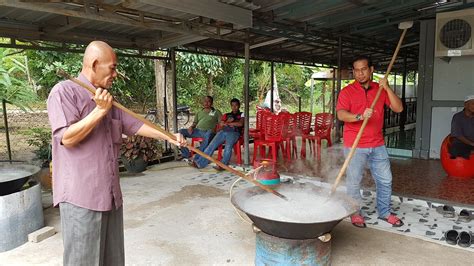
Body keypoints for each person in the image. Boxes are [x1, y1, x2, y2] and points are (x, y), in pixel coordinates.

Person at [47, 40, 186, 265]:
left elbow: (134, 124)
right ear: (94, 64)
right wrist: (99, 111)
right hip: (81, 198)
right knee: (83, 260)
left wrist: (169, 136)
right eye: (112, 67)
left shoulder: (107, 98)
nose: (115, 73)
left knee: (112, 259)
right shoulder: (64, 92)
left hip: (109, 195)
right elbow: (66, 137)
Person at [336, 55, 404, 228]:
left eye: (363, 69)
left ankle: (385, 212)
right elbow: (341, 114)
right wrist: (359, 116)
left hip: (377, 144)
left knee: (385, 180)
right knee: (353, 181)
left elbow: (399, 108)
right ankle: (355, 212)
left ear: (371, 69)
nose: (360, 73)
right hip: (355, 144)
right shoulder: (347, 91)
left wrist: (387, 87)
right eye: (356, 70)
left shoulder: (380, 90)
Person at [192, 98, 244, 170]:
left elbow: (240, 124)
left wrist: (227, 123)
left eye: (236, 105)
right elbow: (221, 125)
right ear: (231, 106)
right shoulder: (227, 115)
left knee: (228, 147)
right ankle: (200, 163)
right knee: (211, 146)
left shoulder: (242, 114)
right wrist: (224, 124)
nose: (234, 107)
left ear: (239, 106)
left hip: (234, 133)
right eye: (232, 105)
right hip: (223, 131)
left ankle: (223, 165)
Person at [449, 95, 474, 159]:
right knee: (454, 150)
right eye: (473, 104)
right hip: (461, 144)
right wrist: (472, 144)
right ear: (465, 105)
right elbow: (458, 135)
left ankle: (470, 152)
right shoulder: (457, 117)